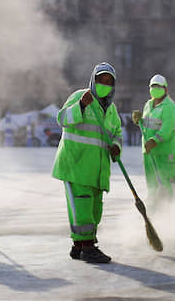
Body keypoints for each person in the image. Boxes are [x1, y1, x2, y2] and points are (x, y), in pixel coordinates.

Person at [52, 62, 123, 264]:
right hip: (76, 165)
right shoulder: (79, 97)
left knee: (94, 209)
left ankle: (79, 245)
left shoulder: (111, 110)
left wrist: (117, 146)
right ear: (93, 80)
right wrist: (81, 105)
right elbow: (62, 119)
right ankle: (88, 247)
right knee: (82, 208)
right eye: (101, 80)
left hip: (97, 170)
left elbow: (117, 132)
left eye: (109, 82)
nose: (104, 84)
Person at [131, 74, 175, 207]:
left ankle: (172, 207)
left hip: (163, 152)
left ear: (165, 89)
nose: (155, 89)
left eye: (158, 87)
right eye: (153, 86)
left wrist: (154, 140)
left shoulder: (169, 107)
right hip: (148, 152)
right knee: (152, 182)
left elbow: (167, 129)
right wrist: (139, 120)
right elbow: (148, 125)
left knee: (167, 181)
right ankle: (153, 208)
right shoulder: (148, 104)